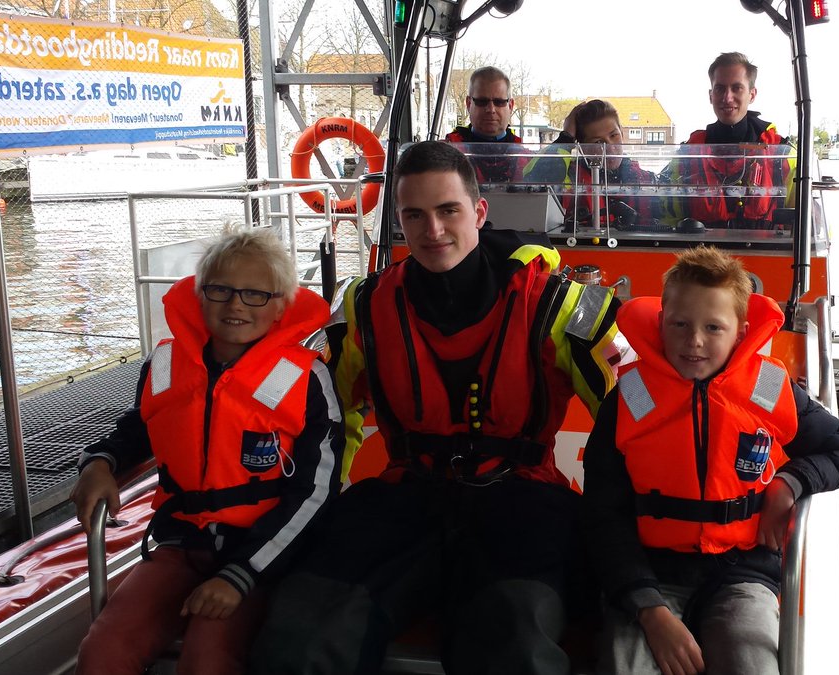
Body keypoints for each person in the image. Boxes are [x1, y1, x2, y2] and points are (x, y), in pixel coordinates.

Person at [250, 141, 627, 674]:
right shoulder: (364, 305)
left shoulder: (559, 303)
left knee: (516, 644)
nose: (433, 230)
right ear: (399, 221)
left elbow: (631, 416)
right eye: (414, 215)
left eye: (448, 210)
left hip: (520, 500)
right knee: (301, 636)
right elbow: (327, 420)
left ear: (478, 212)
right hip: (404, 499)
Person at [70, 228, 343, 675]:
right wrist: (99, 464)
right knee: (102, 652)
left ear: (281, 305)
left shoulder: (306, 379)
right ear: (199, 296)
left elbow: (315, 491)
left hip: (264, 553)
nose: (235, 305)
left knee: (206, 661)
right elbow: (136, 428)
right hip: (179, 544)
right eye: (220, 290)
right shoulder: (164, 364)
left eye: (256, 294)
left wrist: (241, 574)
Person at [582, 246, 839, 674]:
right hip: (650, 575)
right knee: (626, 666)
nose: (694, 341)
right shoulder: (629, 400)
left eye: (714, 327)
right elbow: (604, 516)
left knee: (751, 663)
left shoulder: (770, 387)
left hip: (743, 573)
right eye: (680, 324)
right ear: (660, 323)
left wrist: (790, 482)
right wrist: (649, 609)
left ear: (741, 330)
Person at [666, 52, 797, 229]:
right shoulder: (687, 155)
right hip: (703, 255)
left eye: (737, 88)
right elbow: (665, 216)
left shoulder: (783, 155)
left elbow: (806, 223)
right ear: (711, 95)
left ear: (752, 95)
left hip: (764, 254)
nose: (727, 97)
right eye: (720, 89)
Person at [524, 99, 657, 228]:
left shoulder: (646, 179)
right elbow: (533, 190)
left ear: (622, 133)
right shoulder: (569, 180)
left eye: (614, 135)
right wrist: (566, 138)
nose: (609, 147)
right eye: (598, 142)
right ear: (582, 148)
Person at [445, 65, 526, 184]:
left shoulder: (527, 158)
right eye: (482, 101)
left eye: (499, 102)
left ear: (511, 105)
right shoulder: (447, 153)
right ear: (468, 103)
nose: (491, 109)